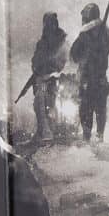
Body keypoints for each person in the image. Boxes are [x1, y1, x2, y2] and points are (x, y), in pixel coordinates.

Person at [70, 3, 109, 142]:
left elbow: (74, 54)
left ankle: (87, 138)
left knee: (86, 110)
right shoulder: (106, 32)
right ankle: (100, 136)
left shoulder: (84, 35)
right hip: (100, 78)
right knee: (100, 109)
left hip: (87, 80)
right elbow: (108, 48)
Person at [31, 12, 68, 141]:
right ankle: (43, 130)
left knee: (52, 102)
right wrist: (37, 68)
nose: (49, 26)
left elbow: (65, 60)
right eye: (47, 23)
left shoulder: (62, 41)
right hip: (43, 78)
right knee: (39, 101)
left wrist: (55, 71)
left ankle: (53, 130)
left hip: (57, 78)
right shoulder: (41, 43)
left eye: (52, 23)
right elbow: (35, 60)